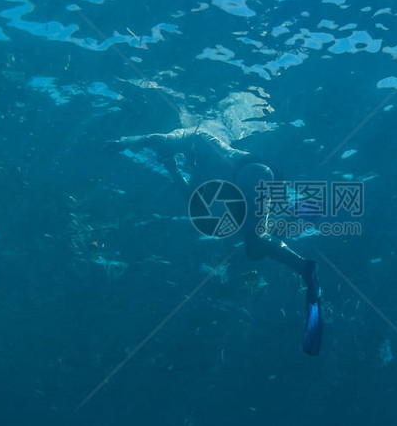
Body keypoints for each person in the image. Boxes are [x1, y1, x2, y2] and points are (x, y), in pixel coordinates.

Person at [107, 128, 323, 355]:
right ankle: (296, 212)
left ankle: (306, 269)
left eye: (178, 155)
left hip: (250, 172)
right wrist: (170, 166)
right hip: (259, 175)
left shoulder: (195, 135)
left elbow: (157, 138)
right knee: (255, 250)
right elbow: (191, 197)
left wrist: (125, 140)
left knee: (255, 240)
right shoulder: (197, 169)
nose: (182, 158)